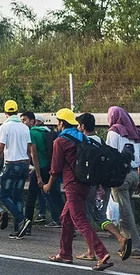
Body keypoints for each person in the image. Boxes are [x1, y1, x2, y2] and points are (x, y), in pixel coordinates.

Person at [44, 109, 113, 271]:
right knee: (66, 217)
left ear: (61, 123)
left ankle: (101, 253)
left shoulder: (60, 141)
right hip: (86, 184)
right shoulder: (83, 138)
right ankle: (65, 253)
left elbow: (55, 168)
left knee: (79, 219)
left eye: (58, 122)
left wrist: (48, 185)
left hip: (72, 185)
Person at [76, 112, 132, 262]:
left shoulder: (86, 142)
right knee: (100, 216)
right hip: (105, 186)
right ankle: (121, 238)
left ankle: (90, 251)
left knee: (85, 217)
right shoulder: (101, 142)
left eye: (78, 125)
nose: (77, 127)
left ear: (82, 126)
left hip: (92, 186)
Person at [0, 100, 39, 239]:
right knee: (17, 197)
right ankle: (18, 229)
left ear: (5, 113)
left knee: (4, 196)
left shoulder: (5, 126)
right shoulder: (24, 127)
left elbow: (0, 148)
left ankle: (21, 218)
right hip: (24, 165)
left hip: (12, 164)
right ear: (17, 112)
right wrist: (28, 164)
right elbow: (29, 148)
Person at [105, 106, 140, 258]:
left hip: (120, 177)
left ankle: (135, 247)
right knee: (125, 210)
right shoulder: (135, 133)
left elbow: (110, 154)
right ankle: (126, 244)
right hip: (134, 175)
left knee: (126, 213)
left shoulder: (114, 131)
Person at [22, 111, 64, 232]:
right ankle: (68, 225)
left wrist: (38, 176)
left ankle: (27, 226)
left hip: (41, 168)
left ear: (32, 121)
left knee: (31, 197)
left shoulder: (31, 133)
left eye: (24, 120)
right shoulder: (46, 131)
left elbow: (34, 154)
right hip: (50, 167)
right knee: (57, 197)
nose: (23, 123)